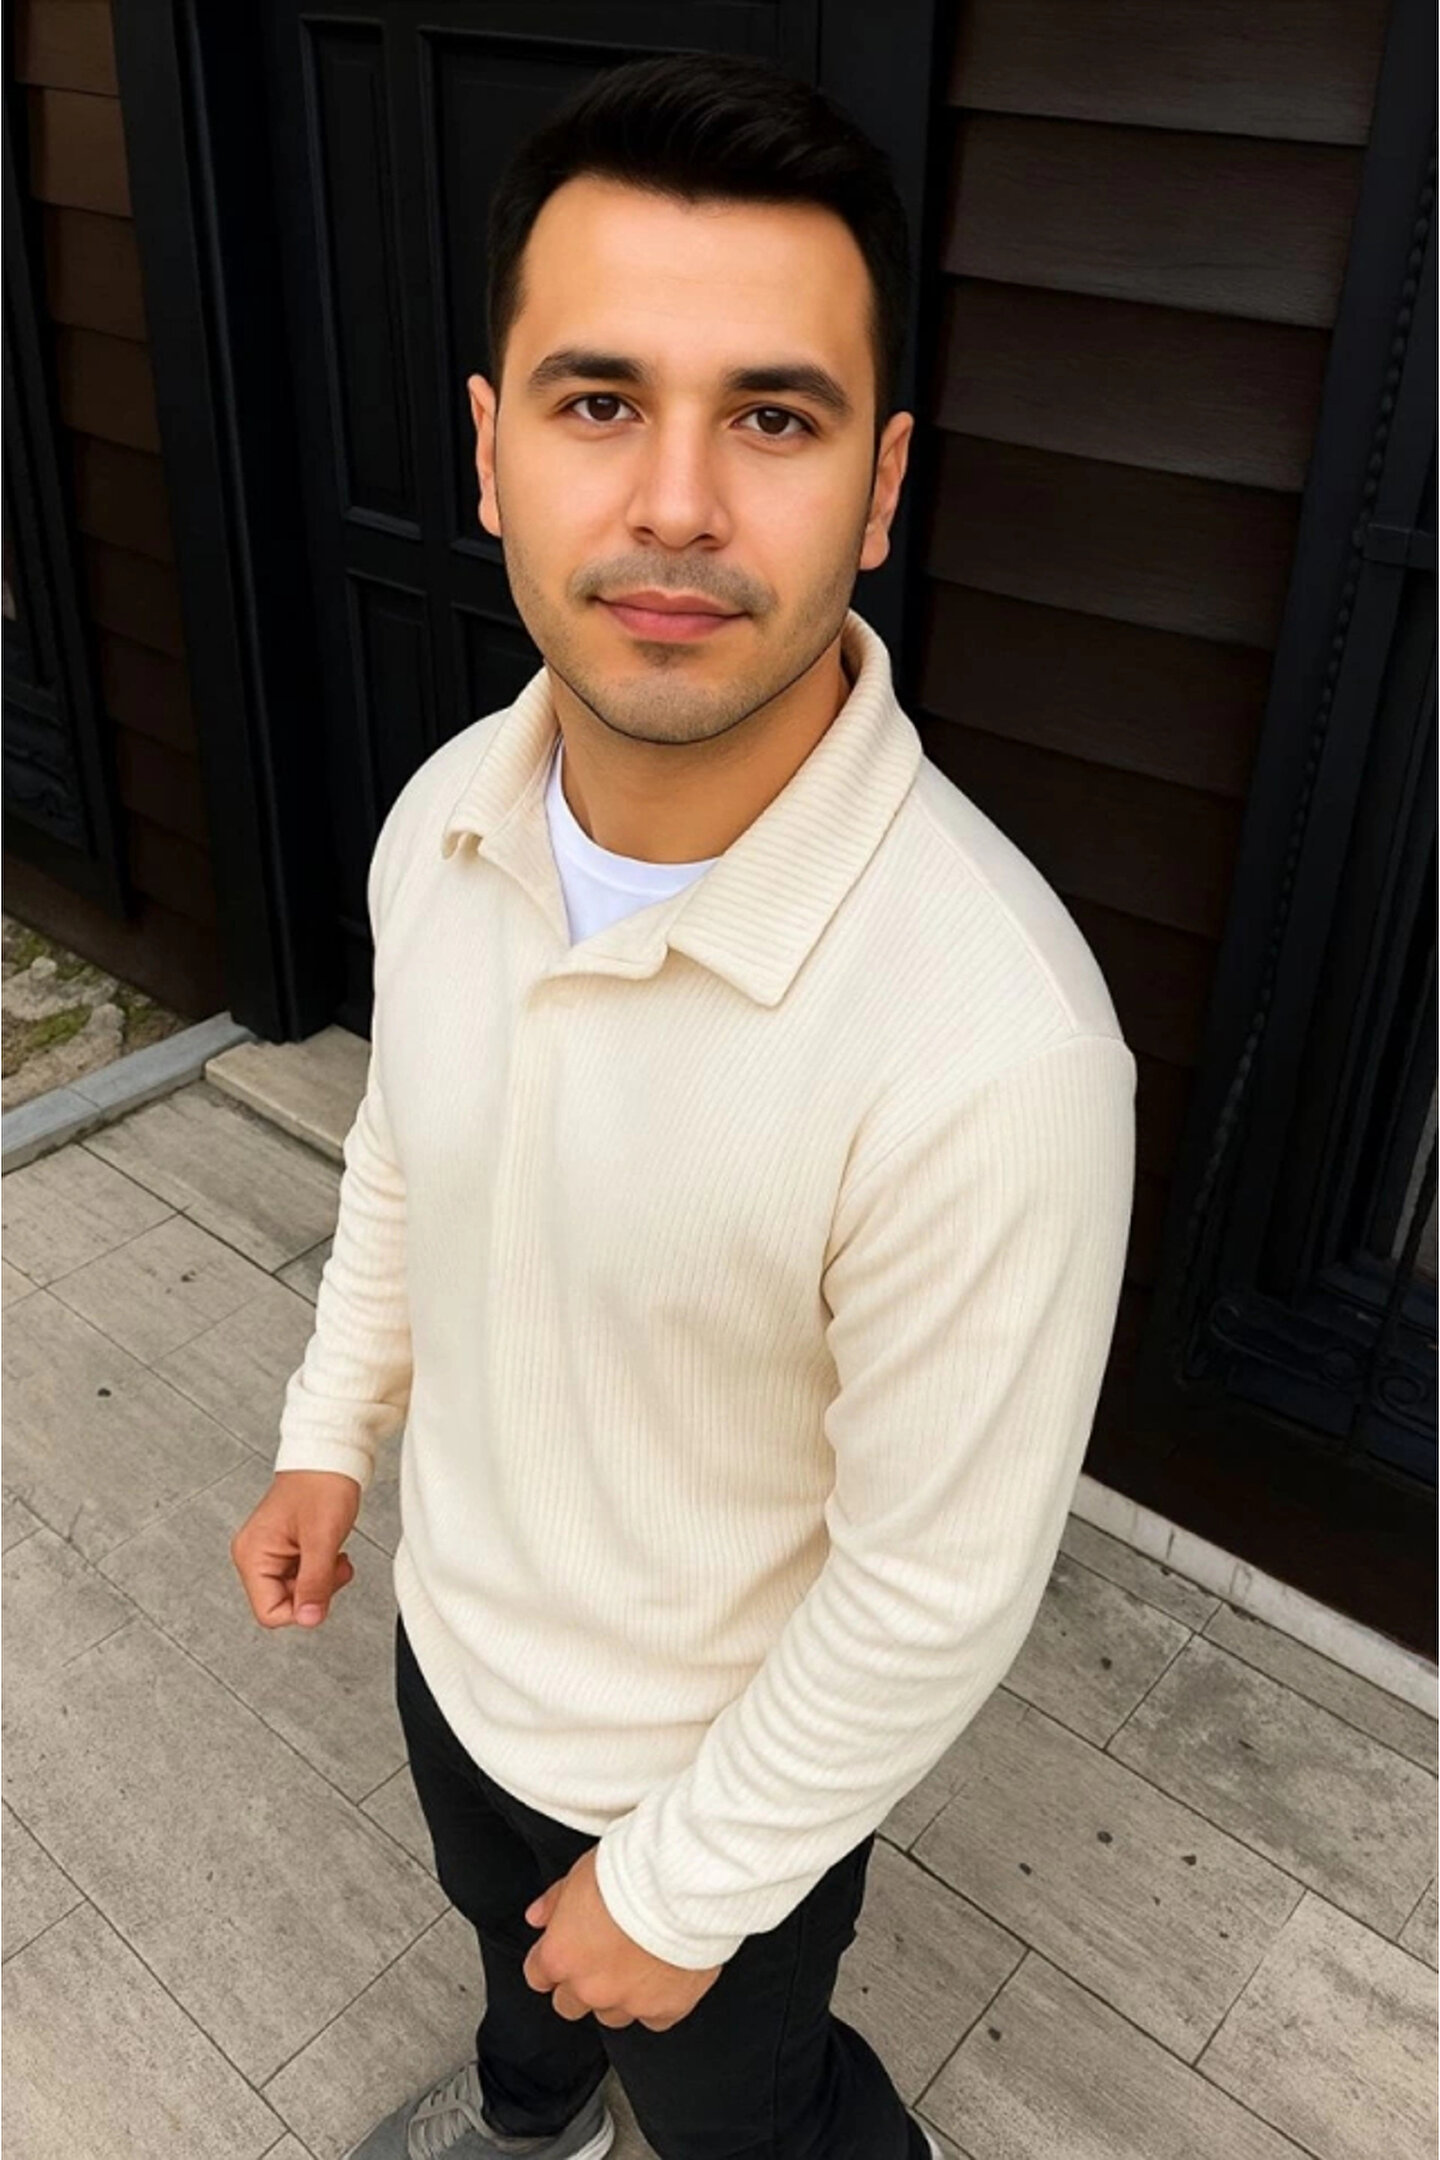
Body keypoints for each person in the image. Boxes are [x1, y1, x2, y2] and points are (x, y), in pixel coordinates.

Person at [230, 49, 1136, 2160]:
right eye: (599, 400)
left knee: (752, 2115)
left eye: (775, 418)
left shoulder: (994, 1043)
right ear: (490, 450)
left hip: (719, 1788)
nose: (674, 505)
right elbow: (406, 1151)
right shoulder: (445, 815)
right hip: (455, 1654)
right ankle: (527, 2112)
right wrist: (329, 1429)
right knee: (512, 1971)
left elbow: (935, 1586)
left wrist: (681, 1885)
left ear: (883, 488)